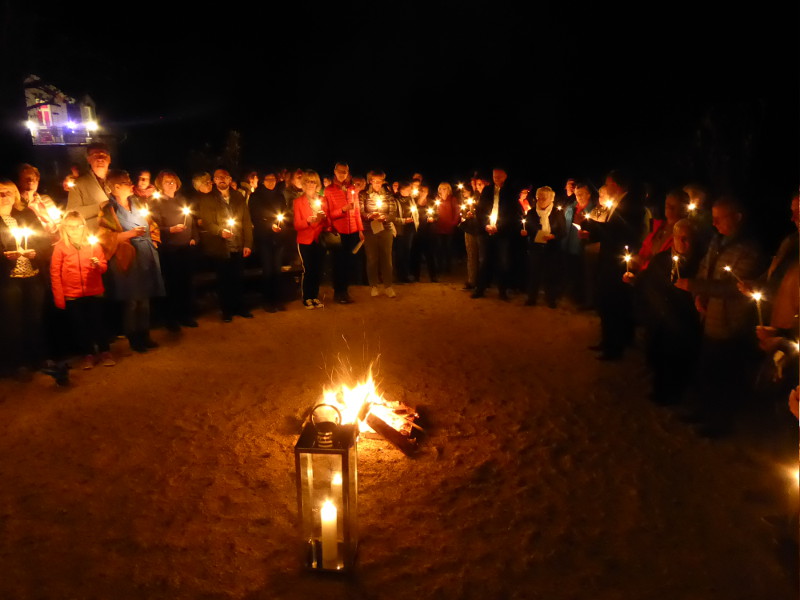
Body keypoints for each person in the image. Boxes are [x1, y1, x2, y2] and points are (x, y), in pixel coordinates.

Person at [674, 196, 767, 434]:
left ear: (737, 218)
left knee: (723, 374)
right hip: (711, 316)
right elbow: (707, 268)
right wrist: (699, 295)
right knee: (706, 369)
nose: (713, 223)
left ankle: (719, 422)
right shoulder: (718, 240)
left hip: (730, 321)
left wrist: (695, 286)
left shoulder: (750, 250)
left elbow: (734, 288)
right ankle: (703, 410)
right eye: (712, 218)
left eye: (719, 218)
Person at [631, 219, 702, 404]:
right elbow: (646, 285)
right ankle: (659, 390)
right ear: (674, 238)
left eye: (690, 239)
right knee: (656, 356)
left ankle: (675, 393)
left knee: (676, 360)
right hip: (658, 319)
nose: (686, 244)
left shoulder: (700, 265)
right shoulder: (661, 260)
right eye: (682, 239)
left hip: (681, 322)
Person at [580, 170, 646, 359]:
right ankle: (610, 341)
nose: (605, 187)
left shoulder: (630, 206)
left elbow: (619, 233)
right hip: (610, 258)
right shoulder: (620, 203)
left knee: (612, 303)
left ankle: (613, 348)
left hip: (616, 262)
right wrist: (591, 233)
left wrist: (590, 227)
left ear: (615, 186)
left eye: (607, 183)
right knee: (610, 302)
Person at [97, 170, 165, 353]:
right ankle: (133, 337)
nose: (131, 185)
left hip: (146, 254)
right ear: (116, 188)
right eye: (127, 182)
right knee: (132, 300)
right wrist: (128, 234)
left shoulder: (137, 202)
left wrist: (155, 241)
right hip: (127, 256)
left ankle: (145, 334)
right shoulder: (108, 209)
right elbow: (103, 236)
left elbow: (152, 224)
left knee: (144, 298)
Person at [50, 211, 114, 369]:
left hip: (94, 291)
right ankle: (88, 354)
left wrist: (97, 265)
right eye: (70, 226)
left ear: (83, 227)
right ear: (64, 228)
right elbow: (55, 272)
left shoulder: (93, 245)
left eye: (77, 226)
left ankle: (105, 351)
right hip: (72, 294)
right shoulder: (60, 247)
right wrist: (59, 297)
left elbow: (104, 267)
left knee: (98, 323)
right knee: (81, 326)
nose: (74, 229)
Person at [0, 180, 49, 377]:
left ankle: (37, 357)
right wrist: (4, 256)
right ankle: (18, 362)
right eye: (0, 193)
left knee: (34, 317)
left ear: (15, 196)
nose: (4, 197)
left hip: (32, 274)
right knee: (13, 320)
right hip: (8, 278)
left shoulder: (26, 215)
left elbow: (43, 240)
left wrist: (35, 252)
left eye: (8, 193)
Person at [198, 169, 254, 322]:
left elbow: (246, 221)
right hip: (220, 246)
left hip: (238, 243)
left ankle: (239, 307)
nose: (222, 179)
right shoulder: (207, 199)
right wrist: (219, 231)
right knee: (224, 280)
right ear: (214, 181)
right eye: (218, 177)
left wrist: (248, 243)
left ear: (230, 180)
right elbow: (207, 222)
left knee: (238, 278)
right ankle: (226, 310)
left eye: (225, 177)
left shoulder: (238, 197)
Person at [150, 170, 200, 330]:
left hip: (186, 247)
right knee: (172, 284)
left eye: (173, 181)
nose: (170, 184)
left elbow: (190, 218)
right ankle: (172, 318)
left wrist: (194, 236)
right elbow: (154, 226)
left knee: (186, 282)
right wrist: (169, 230)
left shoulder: (182, 199)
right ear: (160, 184)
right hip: (169, 249)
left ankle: (186, 315)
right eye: (167, 182)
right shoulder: (156, 203)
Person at [473, 168, 519, 300]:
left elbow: (512, 214)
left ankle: (502, 291)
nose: (496, 179)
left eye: (499, 177)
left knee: (502, 261)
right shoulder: (487, 190)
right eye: (494, 177)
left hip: (502, 233)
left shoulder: (511, 192)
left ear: (505, 177)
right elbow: (480, 210)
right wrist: (485, 225)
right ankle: (480, 289)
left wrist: (499, 227)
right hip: (485, 231)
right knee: (483, 261)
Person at [249, 171, 290, 312]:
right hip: (264, 237)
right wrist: (269, 225)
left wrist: (280, 225)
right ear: (262, 180)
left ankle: (277, 300)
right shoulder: (256, 196)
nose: (271, 181)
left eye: (273, 179)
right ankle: (267, 300)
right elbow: (255, 215)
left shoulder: (279, 195)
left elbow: (284, 212)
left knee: (277, 269)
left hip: (278, 238)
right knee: (267, 269)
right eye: (268, 179)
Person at [324, 162, 364, 303]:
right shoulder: (329, 190)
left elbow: (357, 211)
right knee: (338, 263)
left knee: (348, 263)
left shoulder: (352, 189)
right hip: (338, 231)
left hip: (351, 230)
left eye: (345, 172)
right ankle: (338, 292)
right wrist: (342, 210)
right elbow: (327, 213)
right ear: (335, 171)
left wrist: (360, 229)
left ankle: (345, 291)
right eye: (340, 171)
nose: (342, 174)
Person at [522, 186, 566, 307]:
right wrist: (525, 233)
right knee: (534, 272)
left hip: (552, 248)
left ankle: (551, 298)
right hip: (536, 247)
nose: (540, 200)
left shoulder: (557, 213)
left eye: (543, 197)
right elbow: (529, 229)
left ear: (551, 199)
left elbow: (563, 232)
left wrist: (553, 236)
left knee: (551, 273)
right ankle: (532, 297)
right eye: (538, 197)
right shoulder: (531, 213)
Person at [361, 170, 400, 297]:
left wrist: (385, 218)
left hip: (385, 229)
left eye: (380, 181)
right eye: (374, 181)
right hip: (369, 230)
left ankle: (388, 286)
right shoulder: (364, 195)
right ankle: (373, 285)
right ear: (370, 181)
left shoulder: (388, 195)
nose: (377, 184)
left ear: (383, 181)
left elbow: (393, 213)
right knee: (372, 259)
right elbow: (361, 212)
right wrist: (369, 216)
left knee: (387, 258)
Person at [293, 170, 329, 309]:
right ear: (303, 183)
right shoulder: (298, 202)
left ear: (317, 184)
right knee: (308, 269)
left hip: (319, 239)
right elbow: (297, 224)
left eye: (313, 181)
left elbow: (327, 222)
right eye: (307, 181)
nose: (310, 184)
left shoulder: (322, 200)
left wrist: (323, 219)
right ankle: (307, 297)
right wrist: (308, 221)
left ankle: (315, 296)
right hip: (305, 239)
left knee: (318, 269)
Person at [561, 182, 594, 307]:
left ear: (589, 194)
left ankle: (582, 299)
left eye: (581, 194)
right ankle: (570, 296)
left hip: (583, 247)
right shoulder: (570, 208)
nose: (578, 196)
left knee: (582, 275)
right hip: (568, 245)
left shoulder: (593, 210)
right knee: (570, 272)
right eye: (577, 194)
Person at [67, 142, 112, 231]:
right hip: (93, 235)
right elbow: (72, 213)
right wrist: (100, 207)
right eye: (95, 156)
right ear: (89, 159)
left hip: (121, 234)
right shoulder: (79, 184)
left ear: (109, 159)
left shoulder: (118, 179)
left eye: (103, 155)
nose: (100, 159)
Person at [17, 163, 62, 240]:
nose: (30, 181)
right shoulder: (17, 204)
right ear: (19, 181)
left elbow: (59, 222)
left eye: (34, 178)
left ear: (38, 181)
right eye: (26, 178)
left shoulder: (46, 200)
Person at [410, 185, 437, 283]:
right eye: (421, 191)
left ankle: (433, 276)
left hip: (429, 232)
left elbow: (437, 214)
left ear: (428, 192)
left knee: (430, 254)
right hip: (417, 232)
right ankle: (415, 275)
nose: (423, 193)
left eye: (425, 191)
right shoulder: (413, 202)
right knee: (416, 254)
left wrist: (433, 218)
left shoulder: (431, 202)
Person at [433, 182, 460, 274]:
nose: (442, 190)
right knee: (439, 247)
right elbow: (433, 211)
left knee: (448, 247)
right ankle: (439, 267)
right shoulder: (436, 199)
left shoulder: (452, 199)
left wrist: (454, 222)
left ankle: (448, 268)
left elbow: (457, 211)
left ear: (449, 190)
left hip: (449, 226)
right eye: (440, 188)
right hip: (439, 226)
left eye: (445, 188)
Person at [393, 181, 416, 284]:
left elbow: (414, 212)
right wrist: (403, 220)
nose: (410, 191)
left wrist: (415, 220)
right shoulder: (395, 200)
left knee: (407, 252)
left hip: (409, 228)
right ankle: (399, 275)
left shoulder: (410, 199)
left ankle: (406, 274)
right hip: (400, 229)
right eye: (407, 190)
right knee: (400, 253)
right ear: (401, 190)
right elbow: (393, 216)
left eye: (410, 189)